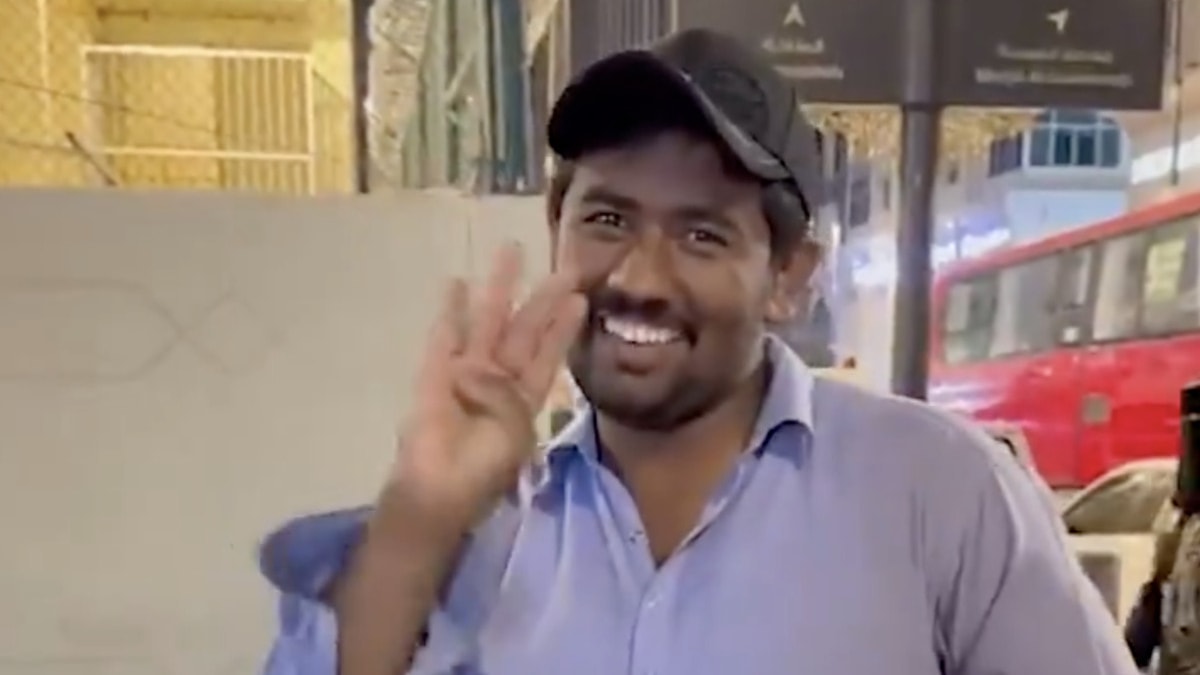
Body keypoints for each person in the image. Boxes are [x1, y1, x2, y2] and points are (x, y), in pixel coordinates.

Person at [259, 28, 1137, 675]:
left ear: (789, 275)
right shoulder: (481, 523)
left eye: (702, 235)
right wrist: (417, 522)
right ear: (557, 225)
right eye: (608, 218)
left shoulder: (942, 492)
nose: (639, 277)